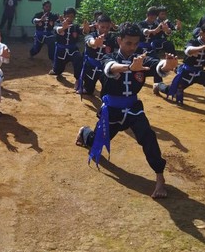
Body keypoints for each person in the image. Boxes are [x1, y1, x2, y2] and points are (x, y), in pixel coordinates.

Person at [75, 22, 179, 199]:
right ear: (119, 40)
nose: (132, 47)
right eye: (128, 43)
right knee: (95, 143)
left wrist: (167, 65)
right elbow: (110, 68)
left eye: (135, 44)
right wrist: (129, 68)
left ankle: (160, 178)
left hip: (133, 109)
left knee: (148, 136)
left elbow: (156, 65)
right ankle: (84, 133)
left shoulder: (141, 58)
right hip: (111, 111)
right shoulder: (108, 57)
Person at [79, 14, 118, 96]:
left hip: (104, 67)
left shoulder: (112, 38)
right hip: (91, 66)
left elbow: (121, 41)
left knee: (107, 90)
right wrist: (95, 43)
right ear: (97, 26)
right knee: (89, 90)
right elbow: (89, 41)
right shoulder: (92, 35)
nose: (105, 29)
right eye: (102, 27)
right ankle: (87, 87)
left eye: (107, 27)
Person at [50, 7, 83, 91]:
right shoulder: (58, 23)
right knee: (57, 71)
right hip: (60, 51)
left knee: (78, 58)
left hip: (72, 50)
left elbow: (83, 31)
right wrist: (63, 28)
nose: (69, 18)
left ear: (74, 17)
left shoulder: (75, 26)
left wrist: (86, 29)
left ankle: (78, 80)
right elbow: (57, 30)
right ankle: (56, 69)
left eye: (71, 16)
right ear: (64, 16)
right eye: (67, 16)